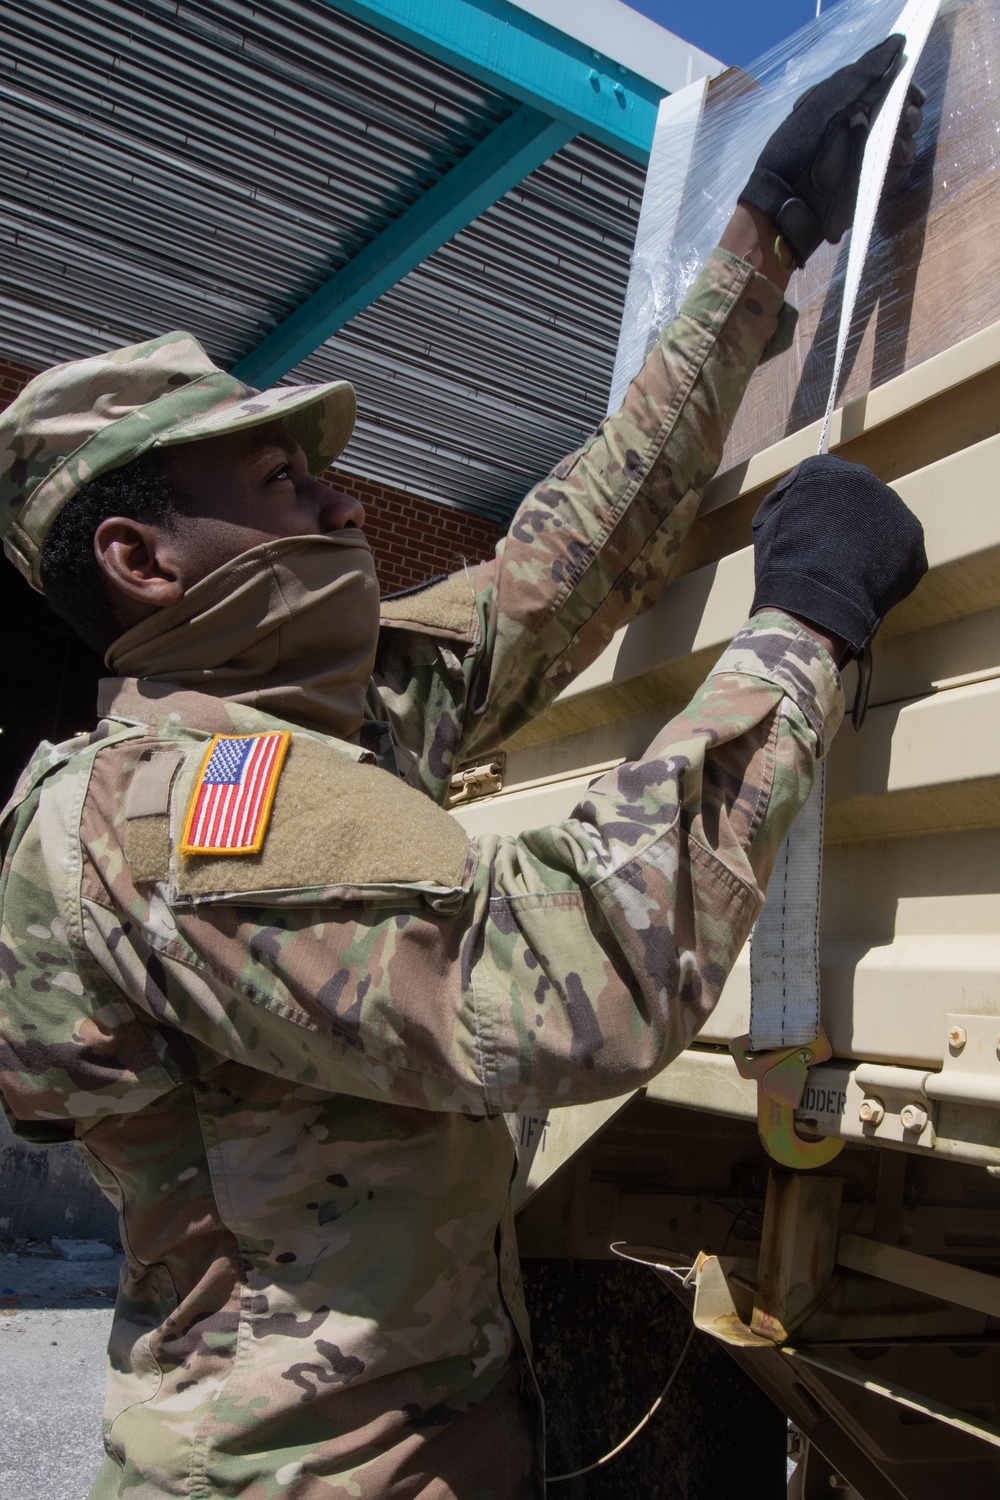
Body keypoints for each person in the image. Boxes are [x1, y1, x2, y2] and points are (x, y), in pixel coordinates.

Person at [0, 40, 927, 1500]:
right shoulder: (169, 817)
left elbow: (565, 559)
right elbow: (574, 972)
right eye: (282, 483)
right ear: (142, 559)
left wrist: (763, 240)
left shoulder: (326, 717)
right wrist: (800, 633)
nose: (341, 495)